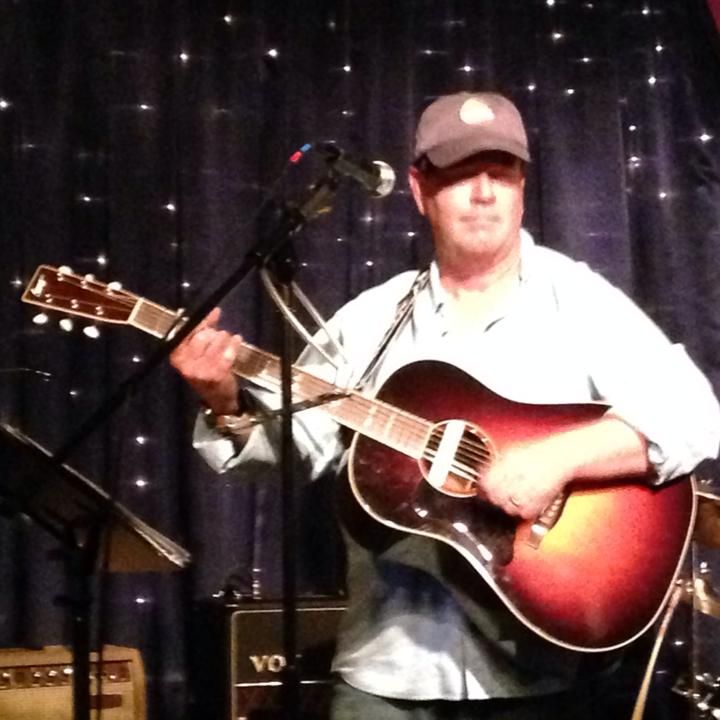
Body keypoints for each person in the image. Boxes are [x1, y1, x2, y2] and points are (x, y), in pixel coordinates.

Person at [171, 91, 720, 719]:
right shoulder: (372, 319)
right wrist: (224, 402)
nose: (483, 193)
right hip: (387, 669)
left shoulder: (576, 298)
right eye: (460, 174)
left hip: (537, 675)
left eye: (501, 173)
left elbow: (695, 414)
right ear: (419, 189)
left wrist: (557, 460)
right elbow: (302, 445)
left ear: (522, 188)